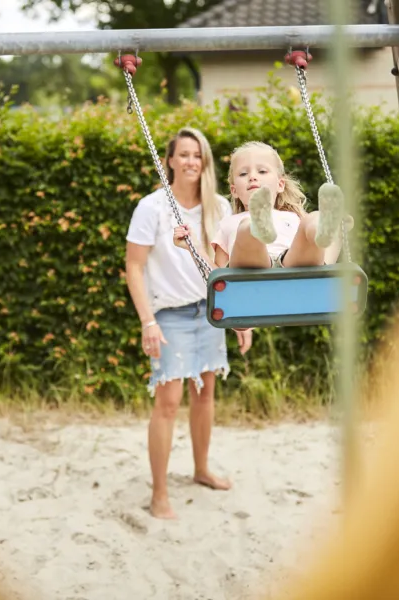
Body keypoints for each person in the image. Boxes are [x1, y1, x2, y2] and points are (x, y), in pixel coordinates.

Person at [124, 127, 250, 520]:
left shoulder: (219, 208)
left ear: (205, 161)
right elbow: (134, 265)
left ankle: (200, 469)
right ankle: (159, 493)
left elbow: (227, 267)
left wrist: (238, 317)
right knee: (168, 403)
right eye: (184, 154)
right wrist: (148, 321)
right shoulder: (152, 207)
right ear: (170, 161)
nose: (191, 161)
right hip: (170, 315)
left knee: (206, 394)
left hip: (209, 311)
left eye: (198, 155)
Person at [174, 140, 352, 271]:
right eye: (243, 173)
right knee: (246, 227)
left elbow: (323, 258)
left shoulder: (293, 218)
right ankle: (257, 225)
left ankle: (327, 225)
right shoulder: (229, 223)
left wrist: (338, 231)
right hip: (250, 273)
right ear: (234, 190)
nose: (252, 176)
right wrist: (194, 247)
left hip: (290, 265)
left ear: (280, 185)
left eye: (262, 171)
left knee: (312, 219)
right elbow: (217, 275)